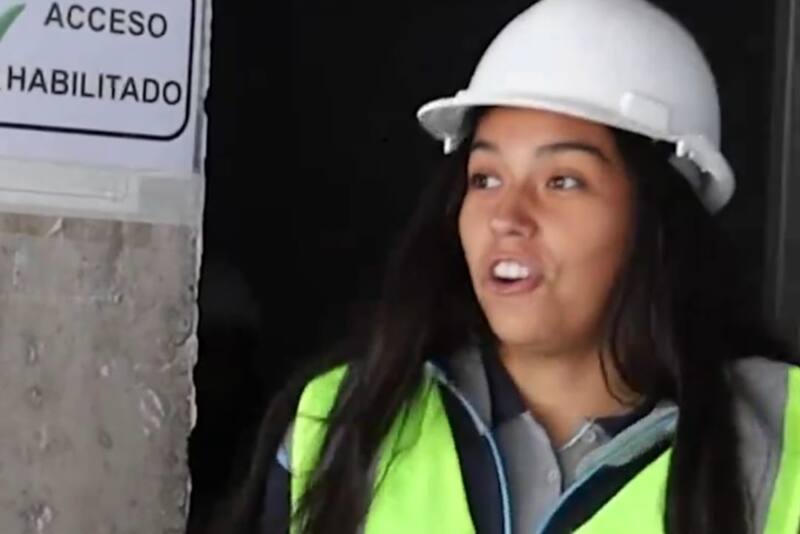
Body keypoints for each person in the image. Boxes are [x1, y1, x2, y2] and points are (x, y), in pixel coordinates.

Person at [214, 0, 800, 532]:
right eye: (485, 178)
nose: (507, 216)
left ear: (662, 221)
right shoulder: (341, 419)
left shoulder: (784, 443)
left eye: (563, 181)